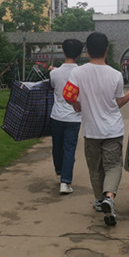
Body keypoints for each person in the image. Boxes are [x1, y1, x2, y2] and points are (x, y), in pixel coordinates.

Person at [63, 32, 129, 226]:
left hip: (92, 131)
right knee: (113, 166)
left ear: (87, 50)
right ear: (106, 50)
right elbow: (119, 102)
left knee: (95, 168)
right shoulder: (115, 75)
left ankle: (100, 200)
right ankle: (109, 197)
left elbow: (67, 95)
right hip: (113, 130)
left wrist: (76, 104)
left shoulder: (78, 73)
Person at [49, 39, 84, 194]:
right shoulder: (82, 73)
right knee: (69, 148)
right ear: (79, 54)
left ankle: (59, 173)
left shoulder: (54, 73)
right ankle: (65, 182)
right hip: (74, 117)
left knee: (57, 147)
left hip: (56, 116)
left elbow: (54, 85)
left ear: (63, 52)